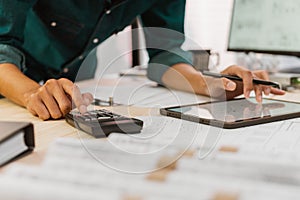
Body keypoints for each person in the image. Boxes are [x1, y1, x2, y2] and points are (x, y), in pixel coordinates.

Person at [0, 0, 285, 120]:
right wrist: (30, 93)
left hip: (69, 87)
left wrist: (211, 84)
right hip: (11, 84)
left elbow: (165, 57)